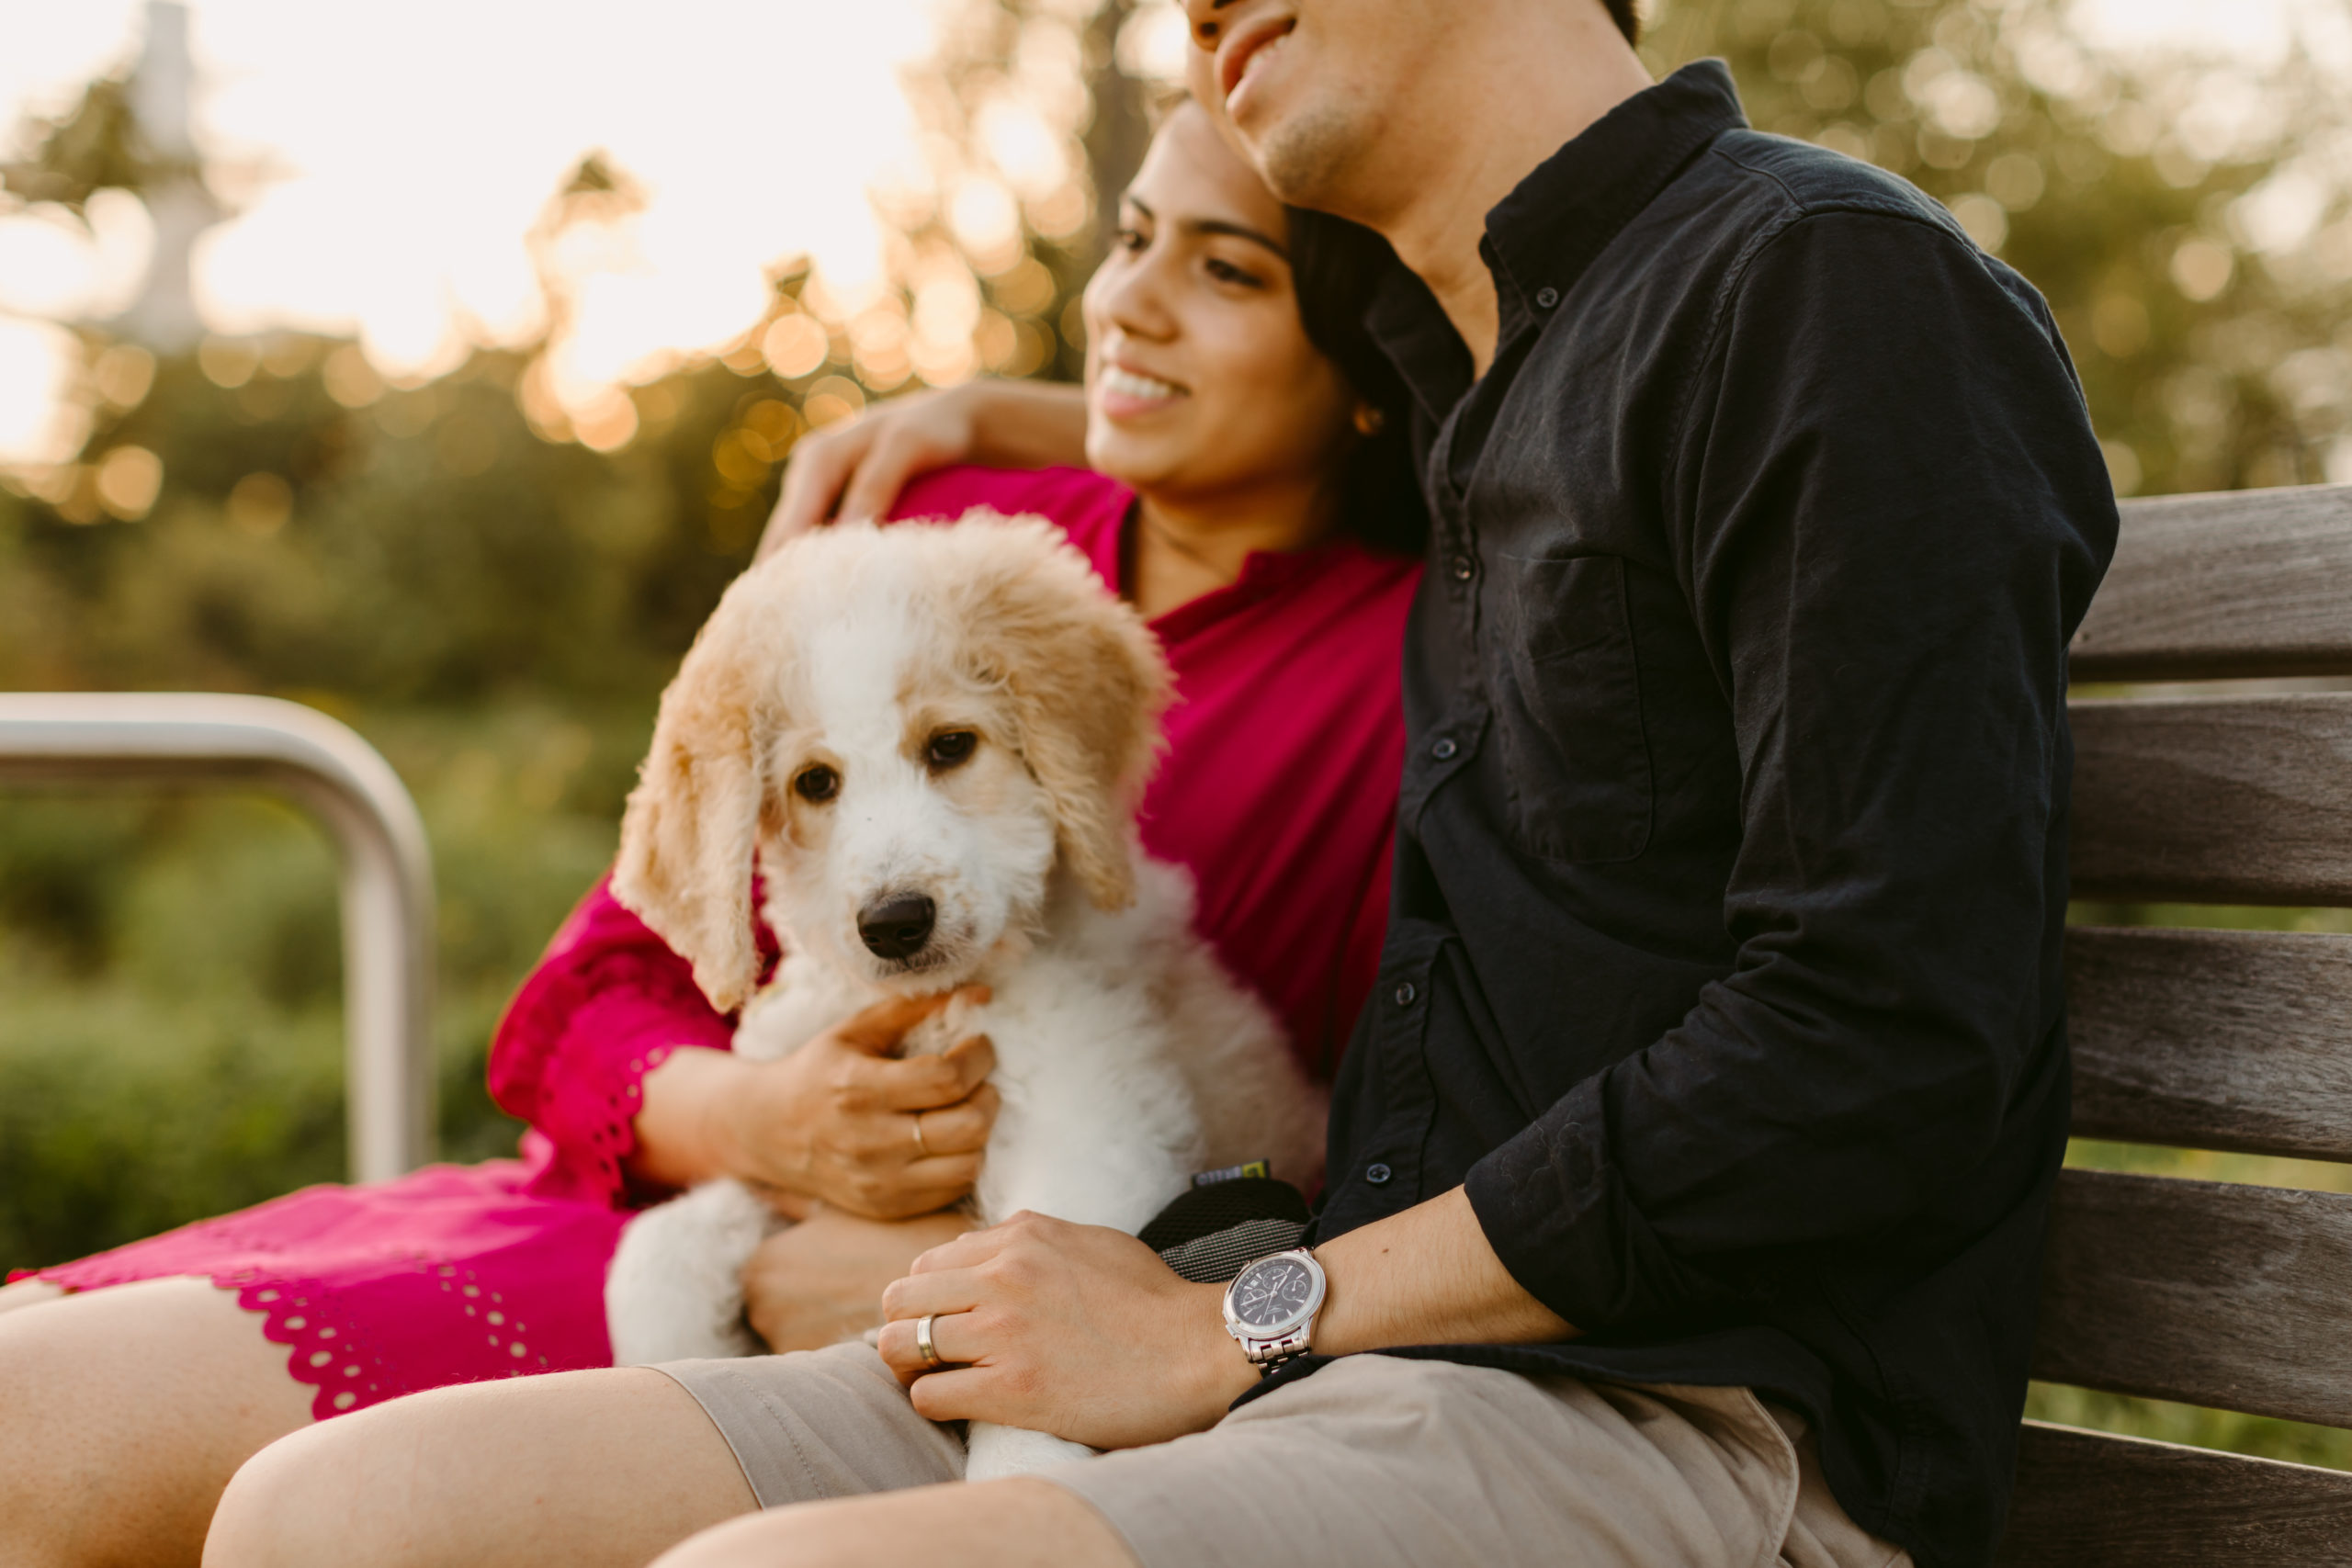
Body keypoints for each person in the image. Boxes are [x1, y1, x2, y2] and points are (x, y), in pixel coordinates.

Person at [201, 1, 2120, 1563]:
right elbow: (1253, 391)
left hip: (1691, 1418)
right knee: (336, 1519)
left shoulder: (1821, 295)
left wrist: (1232, 1317)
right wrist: (972, 414)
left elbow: (1879, 1035)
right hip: (1351, 1349)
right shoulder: (1487, 376)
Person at [0, 99, 1425, 1568]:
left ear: (1371, 357)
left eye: (1228, 273)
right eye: (1132, 239)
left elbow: (1299, 1144)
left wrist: (889, 1266)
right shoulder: (929, 517)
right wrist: (769, 1121)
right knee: (18, 1413)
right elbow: (571, 1009)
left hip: (948, 1302)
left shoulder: (1414, 662)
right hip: (650, 1205)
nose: (1130, 301)